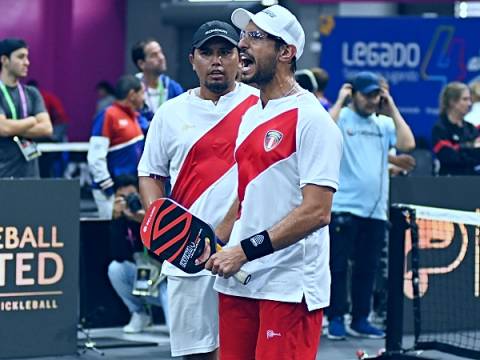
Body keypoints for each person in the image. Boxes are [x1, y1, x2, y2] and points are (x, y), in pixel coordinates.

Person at [204, 6, 343, 359]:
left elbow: (316, 212)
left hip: (288, 285)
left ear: (286, 52)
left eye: (255, 37)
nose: (242, 46)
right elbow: (246, 191)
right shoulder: (252, 113)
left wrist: (243, 251)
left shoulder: (313, 120)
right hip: (239, 281)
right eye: (243, 37)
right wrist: (218, 238)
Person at [138, 21, 259, 359]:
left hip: (246, 253)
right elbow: (150, 172)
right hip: (187, 257)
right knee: (196, 353)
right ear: (192, 59)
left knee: (243, 351)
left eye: (225, 52)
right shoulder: (170, 113)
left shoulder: (261, 107)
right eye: (207, 53)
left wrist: (228, 229)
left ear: (240, 57)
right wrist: (161, 228)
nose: (216, 61)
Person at [326, 71, 415, 340]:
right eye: (367, 94)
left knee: (368, 268)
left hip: (375, 211)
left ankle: (361, 319)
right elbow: (324, 134)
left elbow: (407, 144)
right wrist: (339, 101)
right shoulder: (341, 119)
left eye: (376, 94)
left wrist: (392, 108)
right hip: (343, 207)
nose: (372, 100)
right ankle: (336, 318)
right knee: (338, 268)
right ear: (354, 94)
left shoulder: (384, 124)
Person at [107, 174, 168, 333]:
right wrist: (117, 219)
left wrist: (144, 220)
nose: (129, 201)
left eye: (132, 196)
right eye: (123, 198)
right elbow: (118, 256)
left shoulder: (154, 213)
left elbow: (164, 255)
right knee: (115, 269)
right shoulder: (121, 221)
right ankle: (139, 313)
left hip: (163, 280)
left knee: (174, 332)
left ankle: (174, 322)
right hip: (142, 278)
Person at [87, 75, 148, 218]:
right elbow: (95, 157)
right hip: (111, 191)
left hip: (130, 189)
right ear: (132, 95)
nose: (144, 98)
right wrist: (109, 189)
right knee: (112, 234)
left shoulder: (135, 116)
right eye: (142, 93)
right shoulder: (108, 115)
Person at [0, 38, 53, 178]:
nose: (27, 62)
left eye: (27, 57)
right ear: (4, 60)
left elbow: (47, 128)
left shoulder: (32, 93)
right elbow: (3, 127)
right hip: (3, 175)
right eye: (21, 57)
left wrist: (13, 127)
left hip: (30, 176)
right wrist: (31, 120)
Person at [432, 81, 480, 175]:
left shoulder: (471, 128)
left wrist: (459, 147)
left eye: (470, 99)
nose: (469, 104)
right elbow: (448, 157)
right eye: (465, 99)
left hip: (472, 180)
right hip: (449, 181)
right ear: (452, 102)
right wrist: (471, 146)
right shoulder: (440, 128)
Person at [131, 38, 184, 121]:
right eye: (154, 55)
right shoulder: (132, 90)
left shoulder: (173, 88)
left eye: (160, 52)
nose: (161, 57)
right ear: (141, 64)